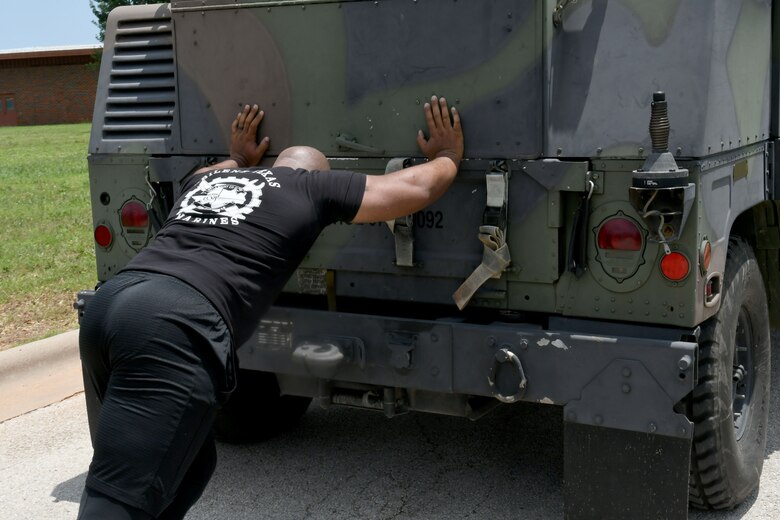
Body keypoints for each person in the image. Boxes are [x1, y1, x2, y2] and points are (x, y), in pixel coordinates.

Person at [77, 96, 464, 519]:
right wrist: (447, 156)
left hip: (115, 303)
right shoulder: (310, 187)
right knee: (118, 502)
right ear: (317, 172)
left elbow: (204, 172)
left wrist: (238, 157)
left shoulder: (206, 184)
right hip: (175, 324)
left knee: (190, 466)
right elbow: (413, 188)